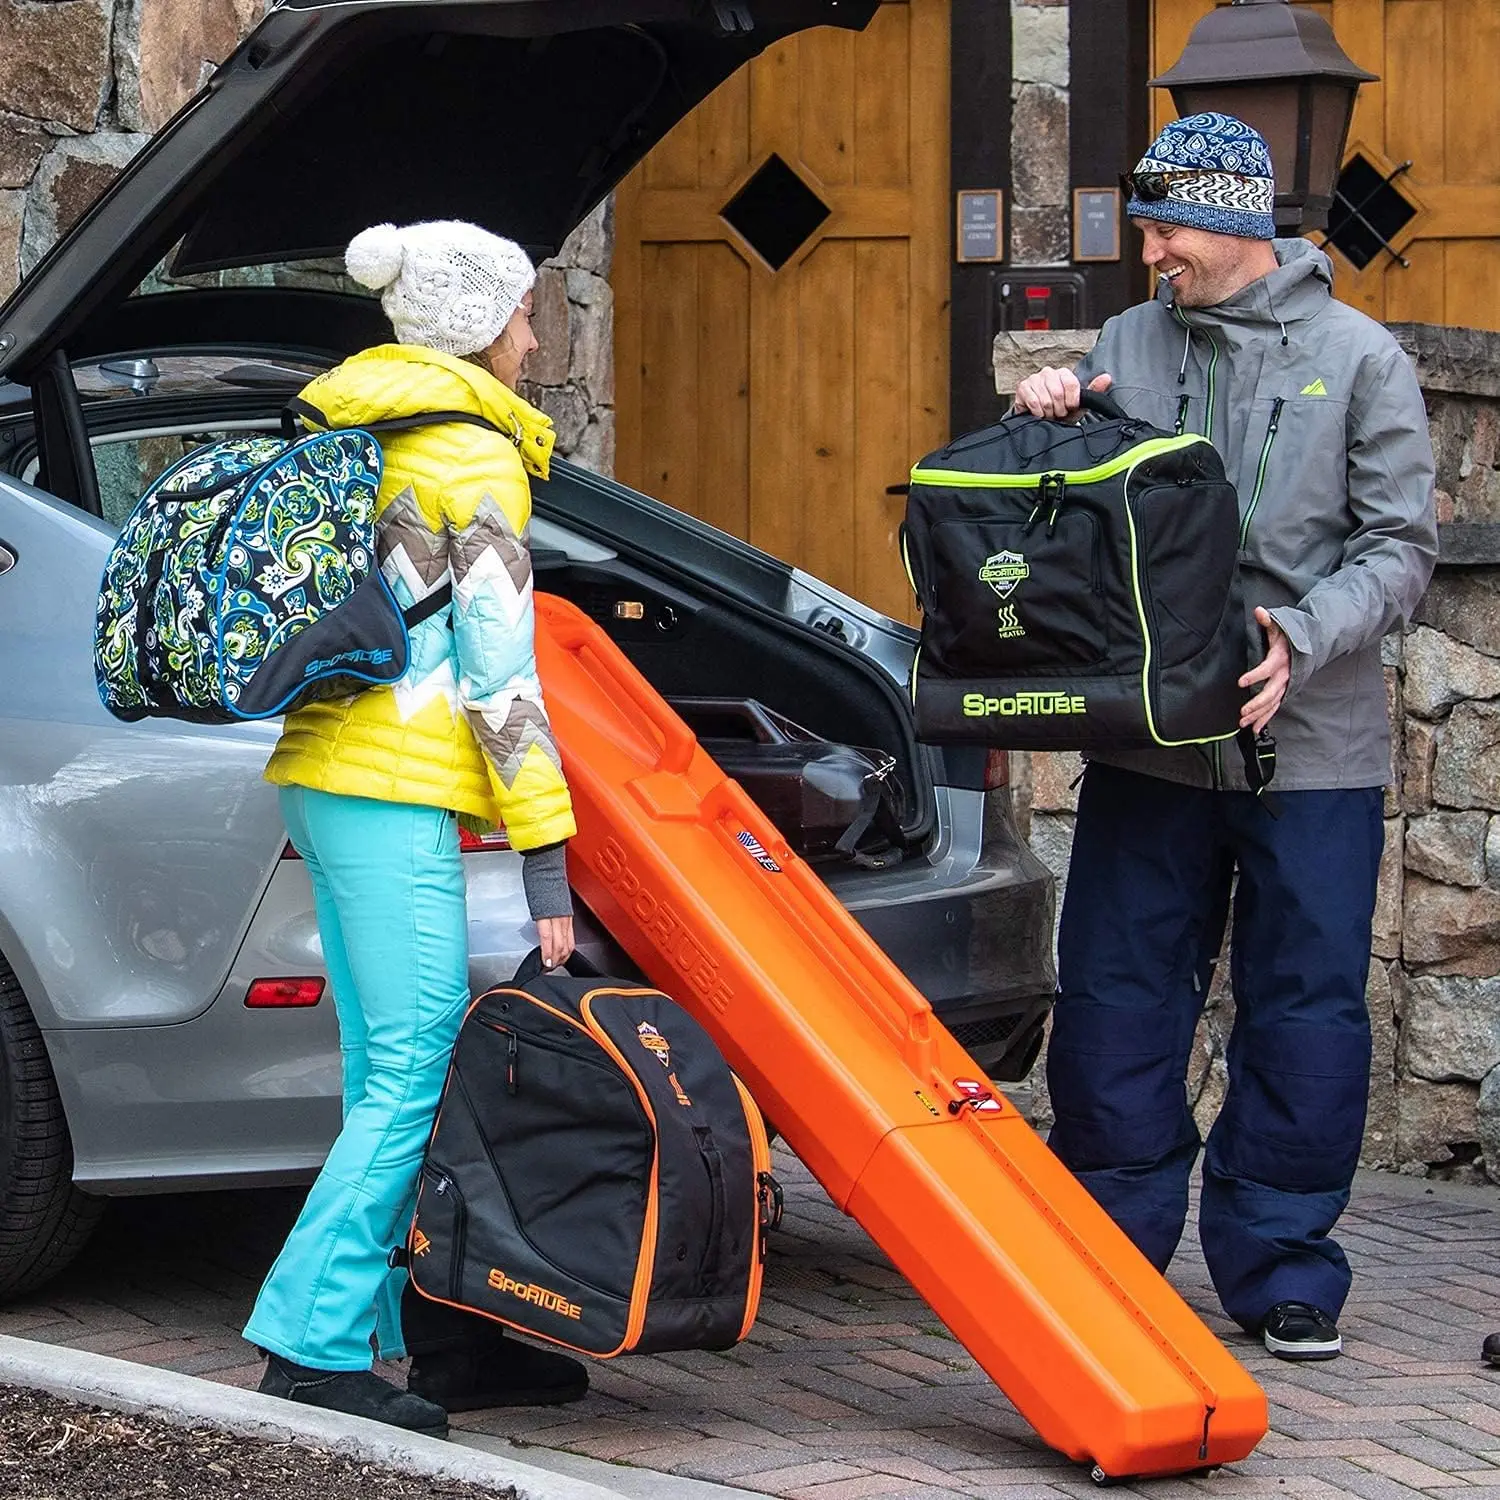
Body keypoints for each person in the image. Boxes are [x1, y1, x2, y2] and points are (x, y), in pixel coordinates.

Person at [1013, 114, 1437, 1361]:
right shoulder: (1130, 342)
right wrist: (1054, 413)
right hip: (1149, 744)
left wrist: (1303, 636)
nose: (1148, 251)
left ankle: (1284, 1264)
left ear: (1238, 224)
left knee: (1303, 1008)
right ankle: (1108, 1244)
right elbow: (1084, 508)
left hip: (1311, 747)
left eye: (1165, 227)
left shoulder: (1362, 360)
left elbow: (1400, 551)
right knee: (1114, 997)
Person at [242, 220, 590, 1432]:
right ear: (482, 325)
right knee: (413, 1064)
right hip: (392, 788)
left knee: (379, 1068)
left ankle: (414, 1335)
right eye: (526, 314)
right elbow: (499, 688)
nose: (537, 336)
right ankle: (313, 1345)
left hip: (328, 769)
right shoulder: (474, 462)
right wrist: (550, 862)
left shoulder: (354, 424)